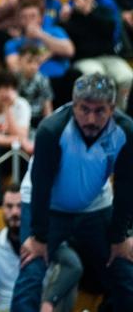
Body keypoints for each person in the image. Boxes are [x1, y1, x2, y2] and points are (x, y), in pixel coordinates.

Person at [12, 74, 133, 311]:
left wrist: (121, 236)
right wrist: (38, 237)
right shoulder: (52, 129)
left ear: (113, 108)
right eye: (84, 109)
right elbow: (42, 185)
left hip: (94, 205)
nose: (91, 118)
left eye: (100, 111)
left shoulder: (126, 130)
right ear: (73, 105)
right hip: (46, 204)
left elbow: (127, 185)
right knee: (32, 266)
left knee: (123, 266)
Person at [0, 186, 81, 312]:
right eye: (9, 206)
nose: (15, 212)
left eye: (20, 206)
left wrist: (50, 300)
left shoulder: (46, 242)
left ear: (30, 208)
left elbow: (74, 266)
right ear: (1, 210)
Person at [60, 0, 133, 106]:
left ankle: (118, 116)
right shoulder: (67, 12)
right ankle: (100, 117)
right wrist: (65, 19)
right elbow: (70, 38)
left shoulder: (103, 9)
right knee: (100, 79)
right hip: (83, 59)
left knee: (127, 77)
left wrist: (89, 13)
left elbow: (109, 30)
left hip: (108, 57)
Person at [14, 44, 54, 129]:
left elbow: (47, 106)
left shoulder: (42, 80)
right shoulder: (13, 79)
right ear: (19, 60)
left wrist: (49, 126)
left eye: (37, 62)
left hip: (36, 119)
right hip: (18, 118)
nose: (33, 66)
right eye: (29, 61)